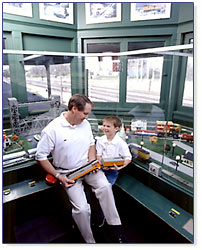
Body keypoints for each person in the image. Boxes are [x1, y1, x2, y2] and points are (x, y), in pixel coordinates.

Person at [35, 94, 122, 243]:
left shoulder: (85, 124)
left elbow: (91, 144)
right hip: (67, 174)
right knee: (82, 210)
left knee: (106, 187)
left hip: (88, 167)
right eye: (85, 113)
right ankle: (89, 241)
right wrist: (58, 176)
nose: (87, 117)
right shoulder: (52, 130)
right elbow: (40, 156)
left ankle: (114, 228)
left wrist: (93, 161)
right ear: (74, 109)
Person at [96, 116, 132, 185]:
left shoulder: (120, 142)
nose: (105, 128)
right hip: (102, 168)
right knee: (96, 185)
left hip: (113, 170)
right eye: (104, 125)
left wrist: (121, 167)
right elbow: (98, 155)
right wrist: (102, 164)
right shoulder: (100, 140)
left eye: (108, 126)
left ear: (116, 128)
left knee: (107, 186)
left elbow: (128, 157)